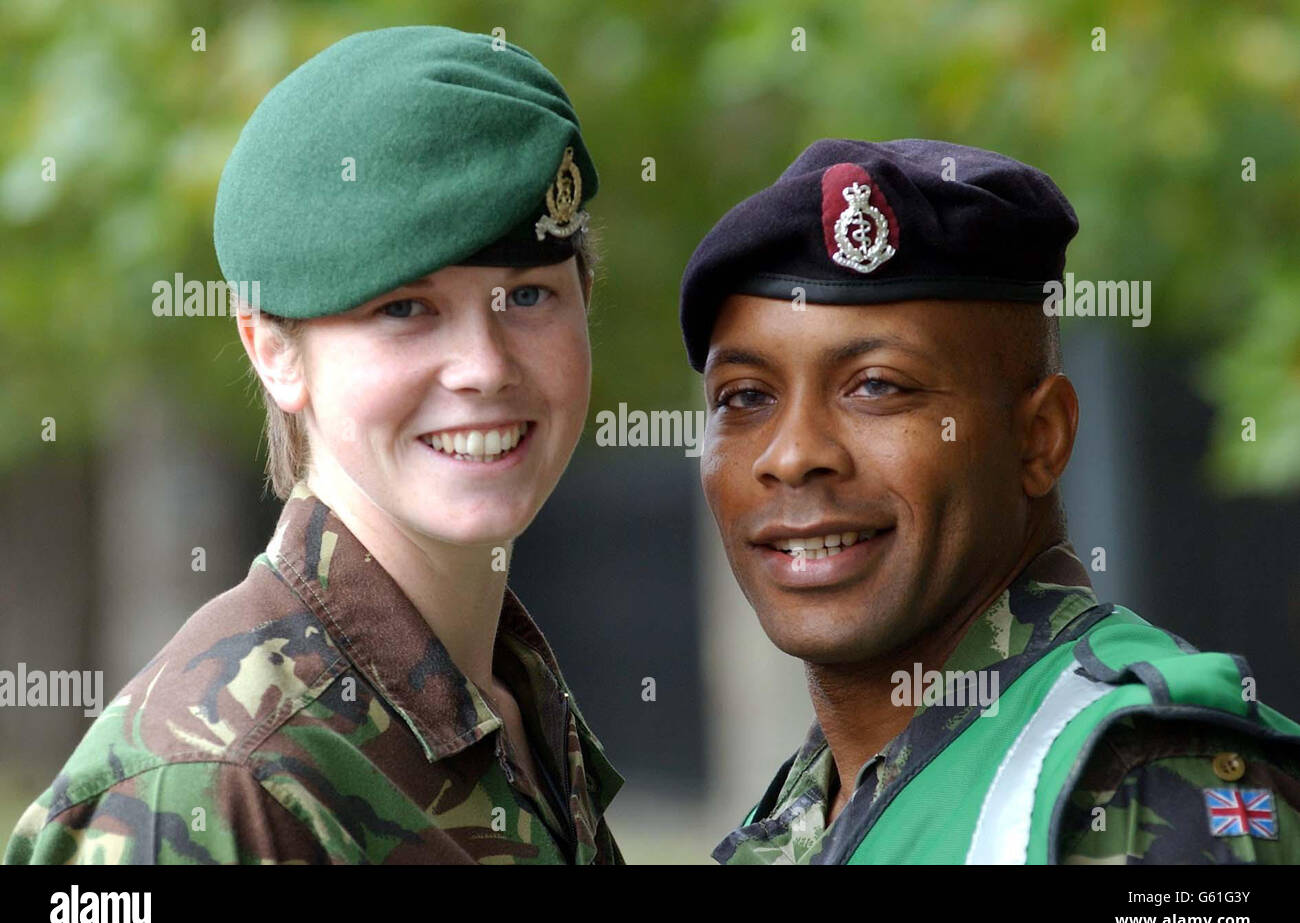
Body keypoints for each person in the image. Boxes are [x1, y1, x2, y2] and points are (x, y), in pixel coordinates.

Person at [4, 26, 623, 865]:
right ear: (272, 350)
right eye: (405, 308)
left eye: (527, 295)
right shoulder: (212, 784)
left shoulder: (514, 705)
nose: (484, 366)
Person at [679, 138, 1300, 864]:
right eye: (745, 396)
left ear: (1039, 437)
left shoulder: (1138, 785)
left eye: (877, 385)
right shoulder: (812, 804)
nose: (792, 454)